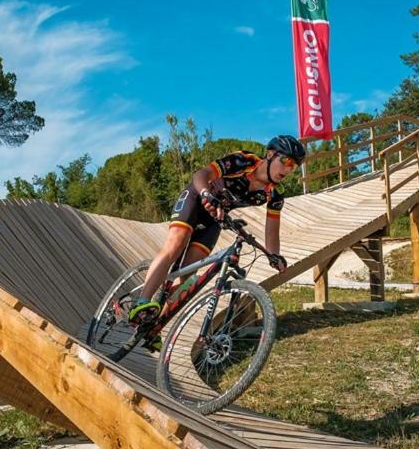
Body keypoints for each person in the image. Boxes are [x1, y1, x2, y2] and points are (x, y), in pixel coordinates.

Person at [128, 135, 306, 342]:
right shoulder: (243, 161)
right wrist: (204, 192)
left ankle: (153, 325)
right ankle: (141, 302)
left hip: (216, 217)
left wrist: (274, 255)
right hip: (197, 198)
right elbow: (201, 174)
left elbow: (272, 231)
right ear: (270, 155)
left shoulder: (274, 195)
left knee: (188, 276)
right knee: (176, 244)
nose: (288, 169)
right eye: (286, 161)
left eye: (294, 166)